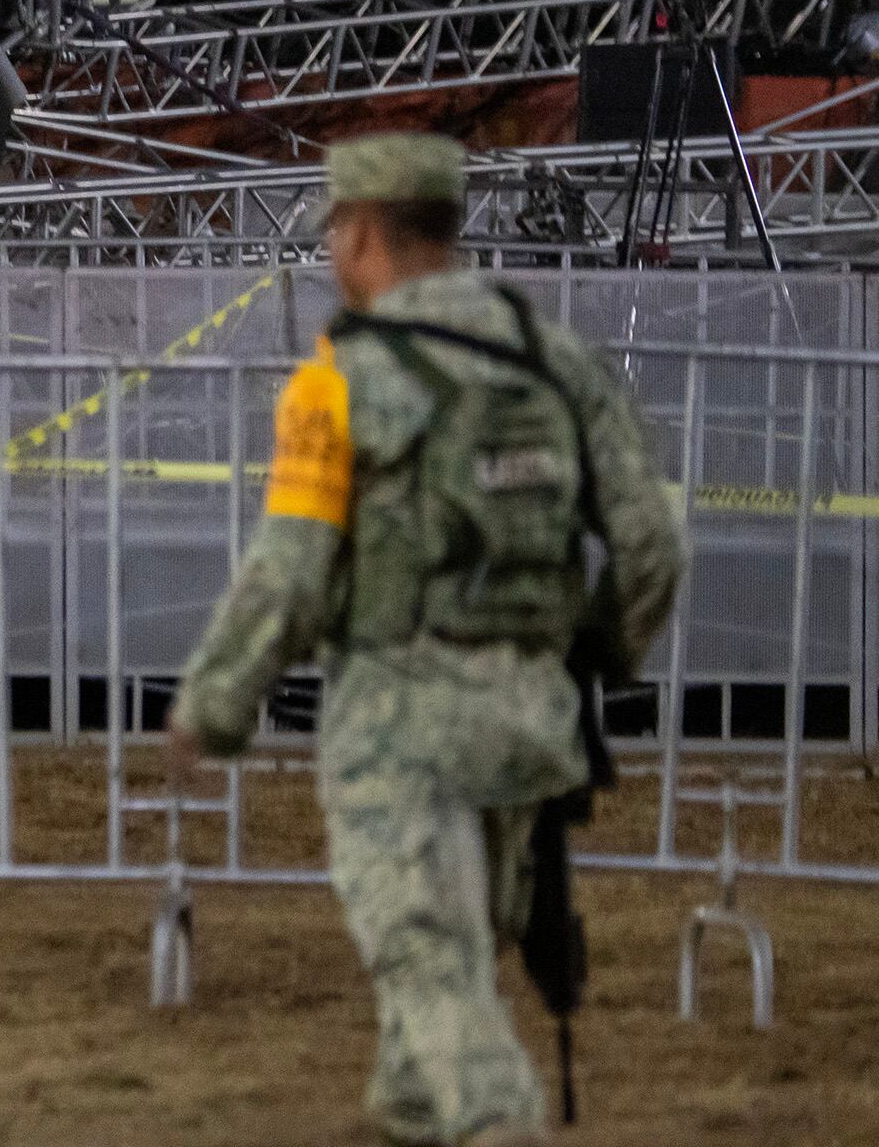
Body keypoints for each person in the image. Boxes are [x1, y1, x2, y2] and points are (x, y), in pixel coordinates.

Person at [165, 132, 684, 1147]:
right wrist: (593, 658)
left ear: (362, 233)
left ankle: (501, 1125)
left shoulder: (340, 377)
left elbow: (292, 566)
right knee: (440, 993)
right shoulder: (551, 355)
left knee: (429, 970)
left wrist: (216, 701)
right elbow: (654, 539)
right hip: (531, 727)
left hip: (398, 731)